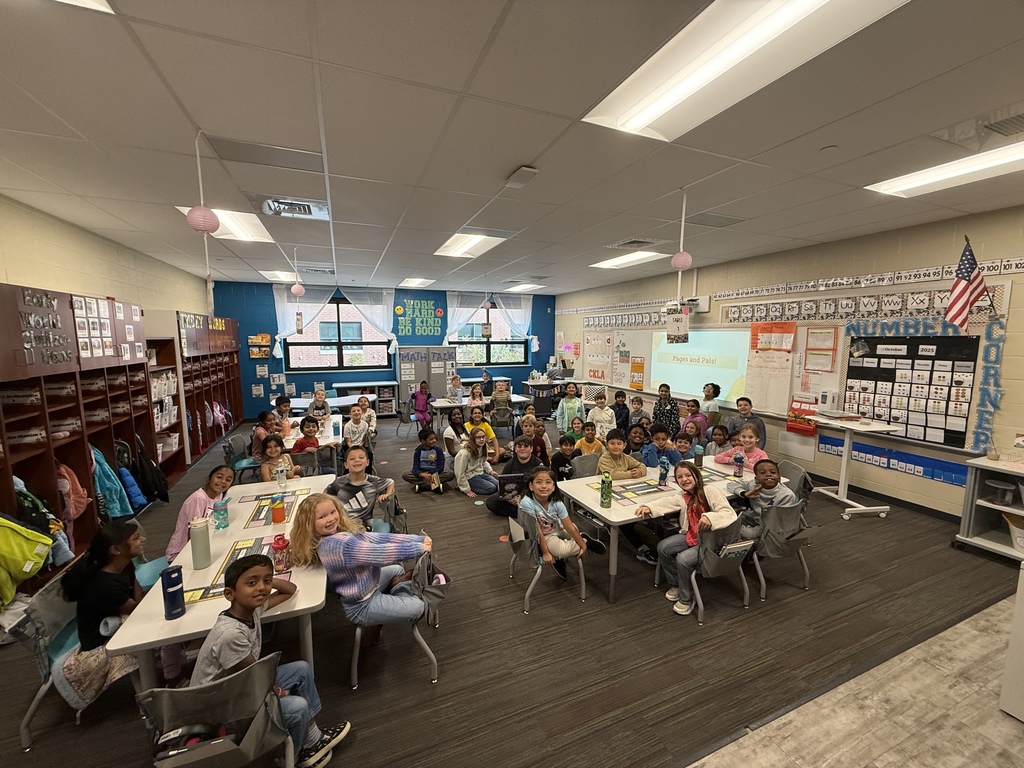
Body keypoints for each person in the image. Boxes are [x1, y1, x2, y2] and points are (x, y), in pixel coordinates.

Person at [189, 553, 350, 768]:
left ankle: (313, 740)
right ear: (230, 594)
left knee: (301, 669)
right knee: (297, 706)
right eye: (251, 583)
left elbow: (290, 590)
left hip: (237, 687)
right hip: (220, 706)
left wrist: (264, 579)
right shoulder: (230, 635)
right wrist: (274, 690)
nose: (262, 588)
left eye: (266, 581)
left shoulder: (251, 610)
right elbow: (254, 676)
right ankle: (295, 756)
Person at [289, 494, 431, 650]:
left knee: (397, 569)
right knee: (419, 608)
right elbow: (378, 553)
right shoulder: (337, 545)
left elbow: (376, 538)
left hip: (367, 583)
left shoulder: (338, 533)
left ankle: (394, 590)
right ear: (309, 523)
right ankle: (398, 589)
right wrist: (417, 548)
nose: (330, 519)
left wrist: (416, 540)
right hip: (362, 604)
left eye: (332, 512)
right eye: (322, 517)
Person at [636, 462, 736, 616]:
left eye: (688, 475)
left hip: (712, 540)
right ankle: (676, 583)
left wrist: (711, 518)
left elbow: (729, 513)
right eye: (679, 477)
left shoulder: (709, 491)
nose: (684, 479)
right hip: (693, 536)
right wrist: (649, 507)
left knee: (683, 559)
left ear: (696, 475)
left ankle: (686, 598)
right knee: (663, 547)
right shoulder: (684, 496)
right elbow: (667, 502)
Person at [60, 521, 142, 701]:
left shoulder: (123, 565)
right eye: (136, 538)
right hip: (97, 641)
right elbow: (137, 610)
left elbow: (138, 598)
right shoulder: (105, 584)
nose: (142, 540)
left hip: (116, 619)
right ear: (116, 550)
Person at [519, 467, 606, 581]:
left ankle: (582, 541)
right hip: (543, 536)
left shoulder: (557, 502)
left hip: (557, 529)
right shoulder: (527, 503)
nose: (544, 486)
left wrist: (582, 546)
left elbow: (568, 526)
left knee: (573, 527)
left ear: (554, 486)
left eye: (548, 482)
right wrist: (545, 552)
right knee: (560, 550)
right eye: (538, 482)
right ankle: (584, 540)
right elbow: (537, 531)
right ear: (531, 486)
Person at [166, 465, 235, 562]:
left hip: (203, 543)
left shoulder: (219, 494)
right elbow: (194, 531)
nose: (223, 482)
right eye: (219, 477)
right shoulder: (199, 499)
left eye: (228, 480)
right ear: (209, 478)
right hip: (181, 552)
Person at [324, 446, 394, 532]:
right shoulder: (339, 482)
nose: (357, 460)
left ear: (367, 462)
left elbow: (390, 482)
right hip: (343, 522)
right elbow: (324, 496)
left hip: (365, 523)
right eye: (352, 458)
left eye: (361, 457)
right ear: (346, 465)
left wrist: (387, 494)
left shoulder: (373, 482)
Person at [727, 459, 796, 540]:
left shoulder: (787, 495)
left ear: (779, 478)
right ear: (756, 479)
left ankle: (754, 543)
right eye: (763, 473)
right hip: (755, 519)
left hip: (771, 527)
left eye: (773, 472)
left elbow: (778, 523)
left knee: (740, 532)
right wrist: (743, 493)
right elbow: (731, 484)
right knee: (726, 523)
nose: (768, 475)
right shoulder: (753, 485)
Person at [485, 436, 541, 517]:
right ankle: (524, 512)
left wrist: (522, 498)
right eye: (519, 446)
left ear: (531, 449)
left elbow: (541, 486)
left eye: (525, 446)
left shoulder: (537, 463)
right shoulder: (510, 463)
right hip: (513, 495)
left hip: (531, 496)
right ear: (515, 449)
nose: (522, 449)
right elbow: (502, 484)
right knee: (491, 502)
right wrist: (509, 498)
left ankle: (526, 511)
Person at [403, 428, 454, 494]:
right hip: (423, 474)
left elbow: (440, 467)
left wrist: (430, 473)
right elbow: (415, 467)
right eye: (431, 439)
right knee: (405, 474)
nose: (434, 440)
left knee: (450, 473)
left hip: (435, 473)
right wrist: (422, 474)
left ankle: (423, 485)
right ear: (423, 441)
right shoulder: (418, 452)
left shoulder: (438, 450)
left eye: (434, 438)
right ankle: (434, 484)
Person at [455, 427, 500, 498]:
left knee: (499, 485)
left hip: (480, 473)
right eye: (478, 437)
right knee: (491, 488)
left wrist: (490, 471)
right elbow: (460, 472)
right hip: (470, 477)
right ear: (473, 438)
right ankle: (462, 486)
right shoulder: (464, 453)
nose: (482, 439)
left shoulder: (482, 448)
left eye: (483, 437)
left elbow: (483, 462)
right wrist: (466, 489)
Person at [343, 404, 374, 471]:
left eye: (358, 410)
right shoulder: (347, 426)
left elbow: (363, 440)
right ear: (350, 414)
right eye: (353, 411)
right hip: (350, 446)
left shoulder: (365, 424)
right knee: (350, 456)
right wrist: (353, 449)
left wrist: (359, 448)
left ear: (362, 413)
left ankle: (367, 473)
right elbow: (348, 441)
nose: (356, 412)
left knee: (369, 454)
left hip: (360, 446)